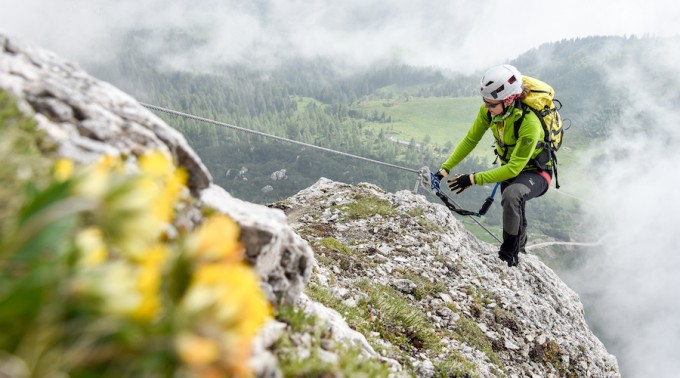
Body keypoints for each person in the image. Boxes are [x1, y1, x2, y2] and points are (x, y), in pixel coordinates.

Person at [436, 64, 552, 267]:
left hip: (537, 171)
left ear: (508, 100)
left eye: (491, 104)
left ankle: (508, 256)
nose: (487, 107)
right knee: (514, 206)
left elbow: (515, 169)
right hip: (510, 165)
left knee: (512, 196)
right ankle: (520, 249)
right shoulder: (490, 112)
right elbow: (471, 139)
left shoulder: (530, 124)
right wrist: (445, 168)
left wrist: (473, 179)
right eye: (485, 102)